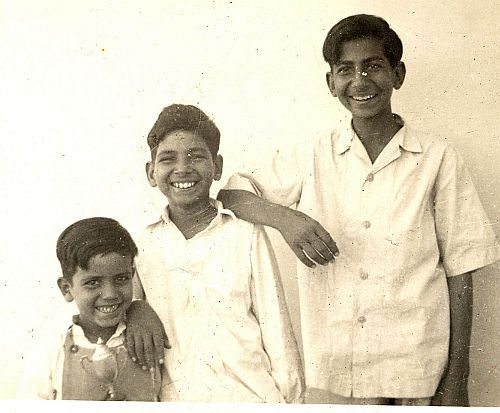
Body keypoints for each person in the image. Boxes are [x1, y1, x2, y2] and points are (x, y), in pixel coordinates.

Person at [217, 14, 500, 406]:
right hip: (336, 371)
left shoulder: (438, 158)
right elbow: (232, 194)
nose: (360, 81)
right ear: (331, 83)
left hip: (418, 370)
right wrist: (287, 219)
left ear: (397, 74)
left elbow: (462, 268)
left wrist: (458, 376)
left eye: (373, 66)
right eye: (345, 70)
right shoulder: (313, 154)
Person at [133, 103, 304, 403]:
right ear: (151, 172)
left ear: (218, 167)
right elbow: (130, 315)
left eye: (196, 156)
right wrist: (136, 308)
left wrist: (292, 401)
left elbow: (276, 327)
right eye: (168, 159)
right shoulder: (143, 246)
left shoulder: (246, 234)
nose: (182, 168)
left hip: (251, 399)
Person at [18, 217, 165, 401]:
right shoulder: (51, 353)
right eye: (92, 282)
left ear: (132, 276)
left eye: (121, 278)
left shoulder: (146, 339)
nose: (110, 294)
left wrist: (140, 308)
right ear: (66, 289)